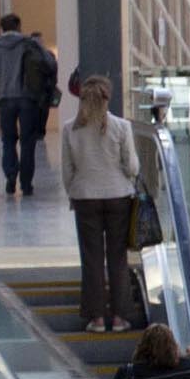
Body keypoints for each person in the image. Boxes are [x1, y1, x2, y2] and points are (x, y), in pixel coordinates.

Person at [54, 73, 154, 332]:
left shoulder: (69, 129)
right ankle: (120, 317)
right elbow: (132, 166)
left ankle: (96, 318)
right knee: (118, 258)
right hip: (118, 196)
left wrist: (74, 192)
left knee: (92, 258)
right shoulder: (121, 126)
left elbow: (67, 171)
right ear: (107, 98)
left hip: (85, 197)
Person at [0, 11, 58, 198]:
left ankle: (11, 175)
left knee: (8, 139)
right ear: (19, 27)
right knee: (28, 141)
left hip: (4, 99)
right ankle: (27, 183)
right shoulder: (28, 43)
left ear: (2, 28)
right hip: (28, 98)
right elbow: (48, 63)